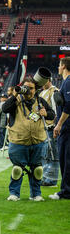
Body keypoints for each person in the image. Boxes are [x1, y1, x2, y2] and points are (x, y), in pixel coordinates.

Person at [2, 77, 55, 201]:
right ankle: (14, 193)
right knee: (17, 169)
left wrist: (46, 113)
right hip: (19, 140)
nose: (28, 90)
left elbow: (52, 114)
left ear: (35, 89)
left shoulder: (41, 101)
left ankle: (36, 194)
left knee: (37, 170)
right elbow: (5, 109)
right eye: (26, 87)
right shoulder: (16, 101)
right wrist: (14, 96)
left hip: (38, 141)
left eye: (31, 88)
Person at [51, 57, 70, 200]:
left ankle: (66, 192)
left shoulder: (68, 82)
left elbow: (69, 106)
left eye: (59, 65)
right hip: (66, 127)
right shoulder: (65, 82)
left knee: (66, 159)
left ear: (64, 66)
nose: (58, 67)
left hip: (67, 128)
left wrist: (59, 124)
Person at [39, 78, 60, 186]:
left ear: (48, 80)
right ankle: (46, 177)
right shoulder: (42, 92)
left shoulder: (54, 91)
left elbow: (57, 111)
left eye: (43, 81)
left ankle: (52, 180)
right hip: (43, 128)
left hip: (51, 127)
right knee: (45, 154)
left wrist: (56, 125)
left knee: (53, 154)